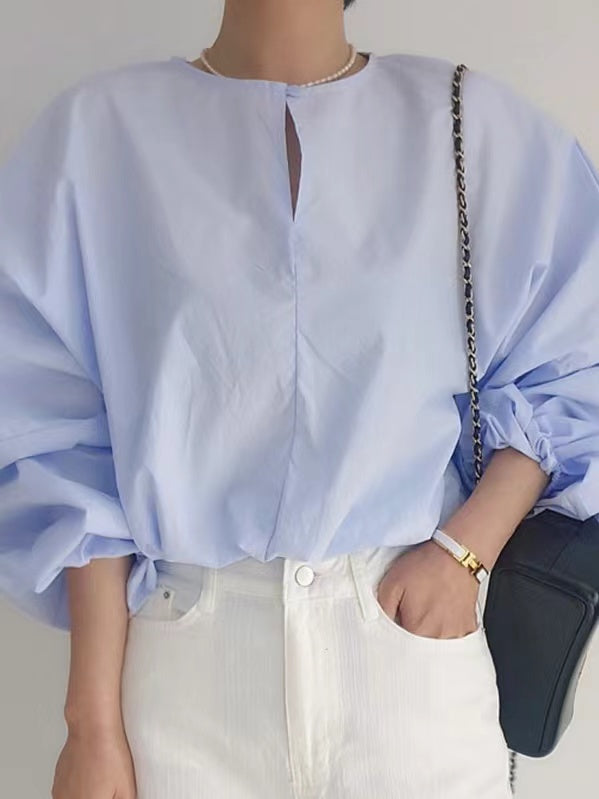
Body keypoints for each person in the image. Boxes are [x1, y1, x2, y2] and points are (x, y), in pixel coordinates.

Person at [1, 1, 598, 797]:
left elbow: (574, 366)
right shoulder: (93, 137)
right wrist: (91, 724)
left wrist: (464, 553)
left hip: (406, 647)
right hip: (187, 666)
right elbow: (63, 444)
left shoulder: (475, 127)